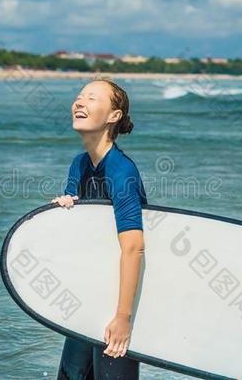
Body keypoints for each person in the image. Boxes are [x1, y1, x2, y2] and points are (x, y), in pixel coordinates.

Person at [52, 78, 147, 380]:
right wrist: (61, 213)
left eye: (91, 98)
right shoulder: (79, 165)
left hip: (119, 303)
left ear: (113, 116)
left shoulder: (121, 171)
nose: (79, 102)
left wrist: (123, 318)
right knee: (71, 375)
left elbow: (134, 247)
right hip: (88, 295)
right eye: (79, 96)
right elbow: (79, 238)